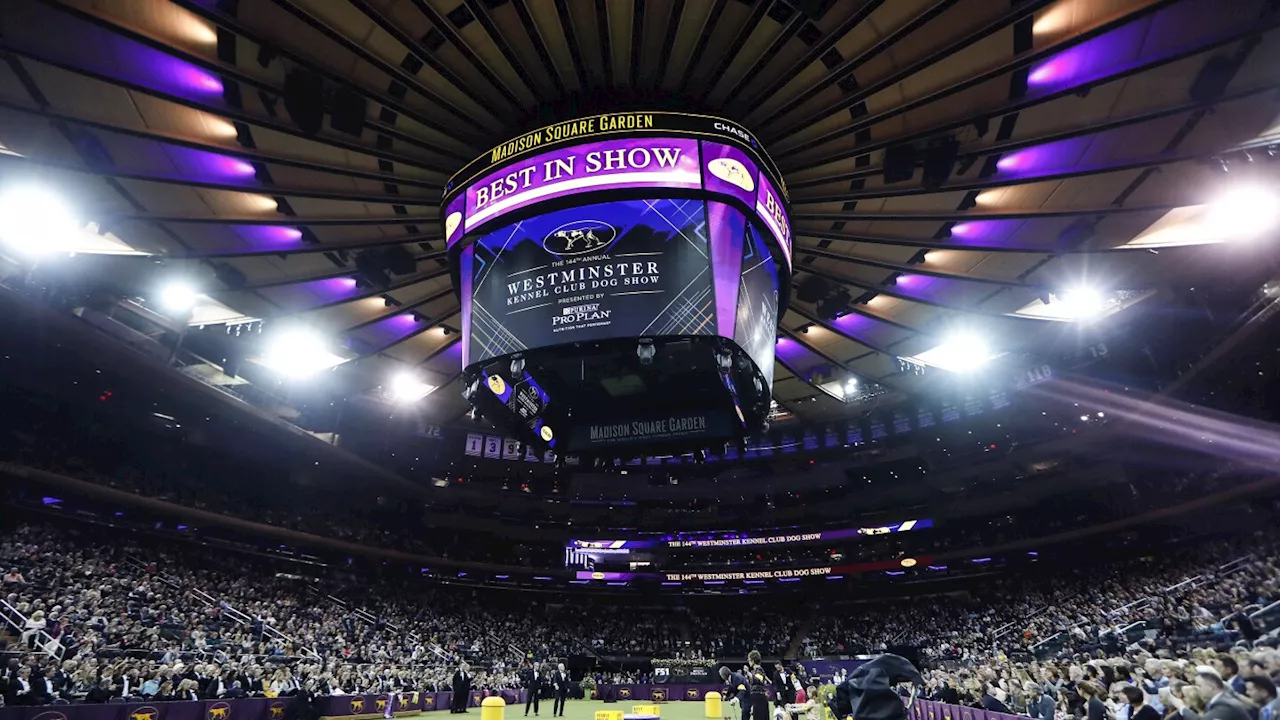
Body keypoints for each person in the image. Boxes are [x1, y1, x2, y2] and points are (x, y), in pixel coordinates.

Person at [747, 651, 771, 720]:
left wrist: (748, 673)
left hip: (759, 699)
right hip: (755, 698)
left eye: (749, 660)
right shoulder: (754, 670)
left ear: (753, 660)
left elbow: (758, 680)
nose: (748, 661)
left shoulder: (759, 669)